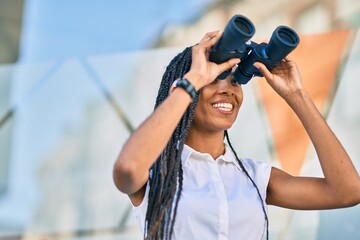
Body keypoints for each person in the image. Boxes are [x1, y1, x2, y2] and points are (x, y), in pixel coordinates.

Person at [113, 31, 360, 240]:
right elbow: (126, 167)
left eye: (235, 81)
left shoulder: (254, 177)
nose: (227, 90)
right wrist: (194, 79)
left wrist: (296, 94)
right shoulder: (158, 173)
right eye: (214, 79)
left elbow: (347, 191)